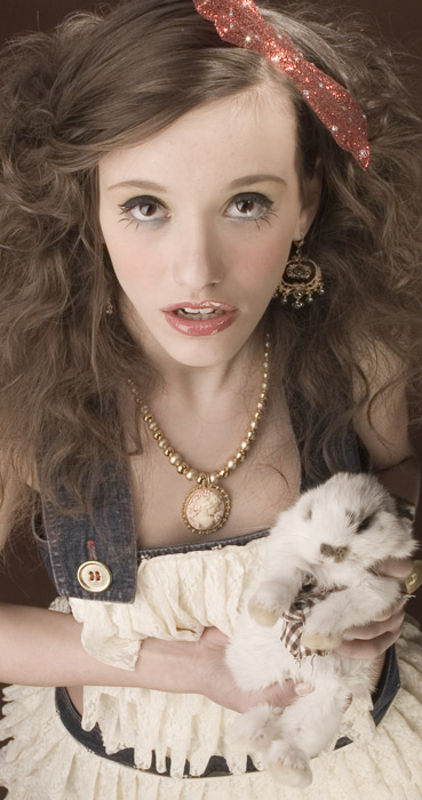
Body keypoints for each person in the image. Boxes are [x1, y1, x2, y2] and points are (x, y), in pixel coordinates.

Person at [0, 0, 421, 796]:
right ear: (88, 205)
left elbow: (395, 478)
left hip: (356, 764)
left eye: (246, 203)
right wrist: (184, 667)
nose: (197, 270)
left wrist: (388, 565)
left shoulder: (357, 353)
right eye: (145, 207)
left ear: (307, 202)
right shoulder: (26, 389)